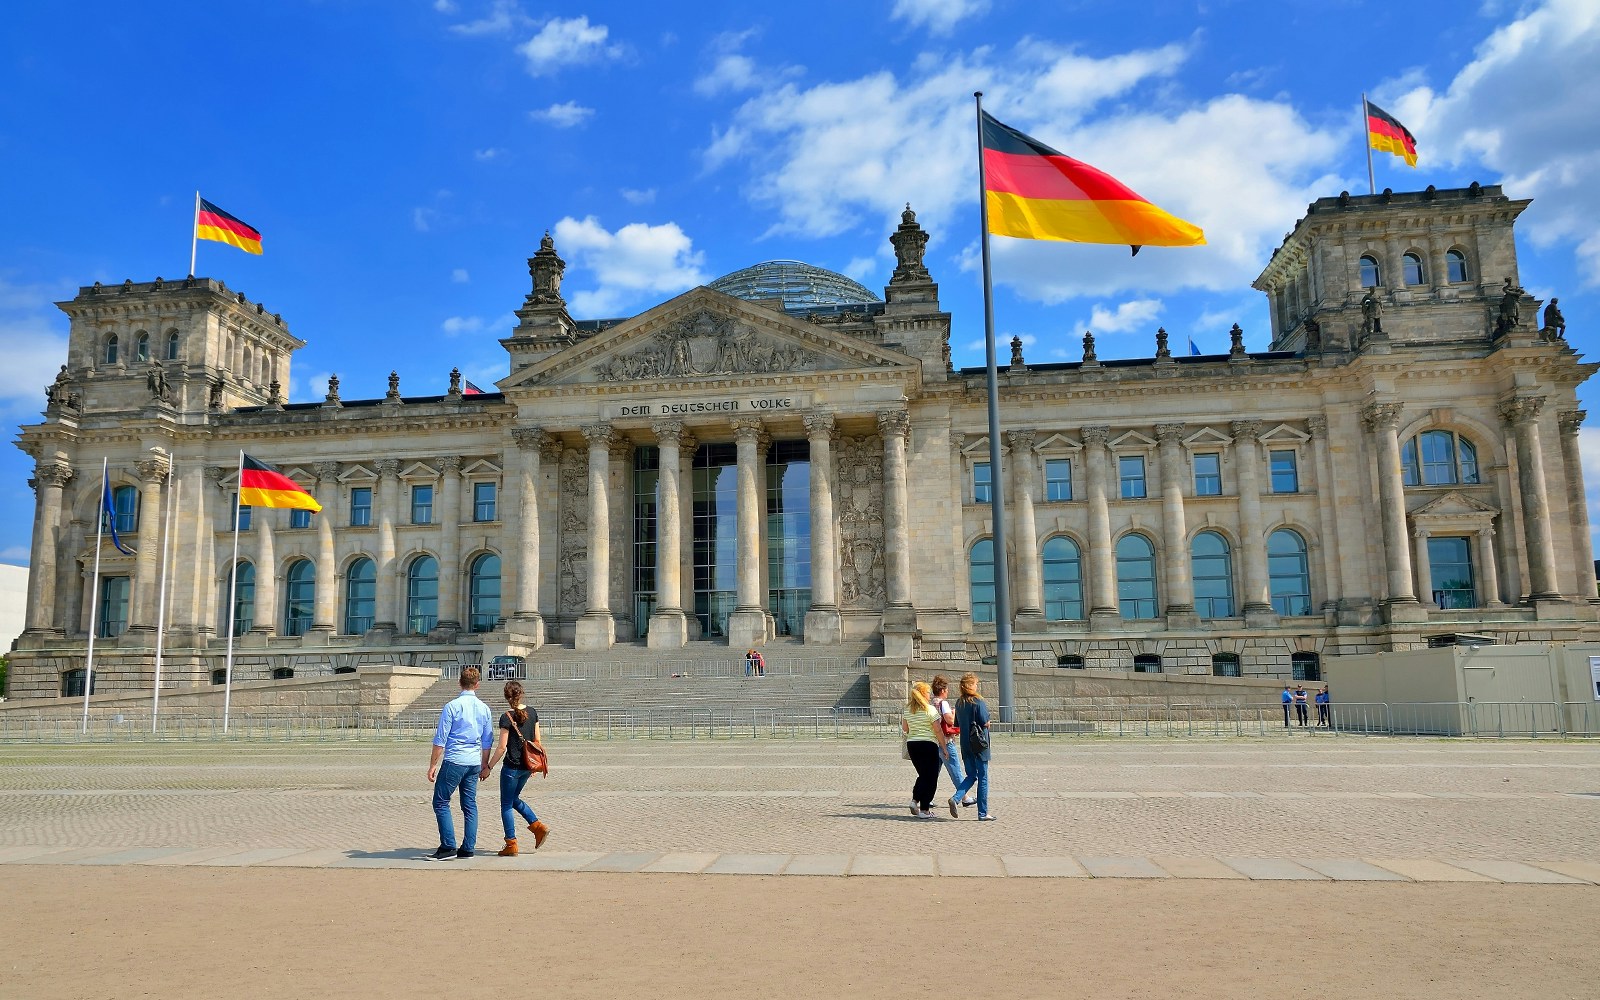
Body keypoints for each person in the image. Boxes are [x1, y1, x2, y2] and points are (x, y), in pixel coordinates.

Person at [423, 665, 494, 861]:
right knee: (469, 804)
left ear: (459, 683)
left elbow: (440, 739)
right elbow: (488, 740)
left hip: (455, 759)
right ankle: (468, 847)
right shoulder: (484, 709)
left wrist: (432, 765)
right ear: (477, 685)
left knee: (441, 801)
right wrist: (484, 764)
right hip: (473, 762)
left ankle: (448, 845)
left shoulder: (452, 706)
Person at [480, 679, 550, 857]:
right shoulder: (533, 712)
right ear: (521, 693)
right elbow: (538, 742)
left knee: (506, 804)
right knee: (514, 800)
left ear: (506, 696)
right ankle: (537, 827)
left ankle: (511, 843)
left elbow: (502, 747)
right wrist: (534, 766)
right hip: (527, 767)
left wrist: (488, 767)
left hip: (511, 768)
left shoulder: (506, 717)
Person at [947, 673, 994, 821]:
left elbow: (957, 724)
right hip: (979, 744)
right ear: (969, 686)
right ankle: (982, 813)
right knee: (983, 777)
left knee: (971, 775)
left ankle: (956, 798)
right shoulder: (978, 701)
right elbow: (985, 721)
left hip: (966, 745)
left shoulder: (959, 703)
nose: (977, 686)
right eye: (975, 684)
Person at [900, 680, 947, 818]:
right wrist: (944, 747)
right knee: (931, 777)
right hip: (928, 744)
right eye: (928, 692)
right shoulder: (930, 709)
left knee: (923, 775)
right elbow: (938, 730)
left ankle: (915, 800)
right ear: (922, 694)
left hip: (913, 745)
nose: (930, 695)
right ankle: (924, 809)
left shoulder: (908, 710)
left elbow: (905, 728)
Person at [930, 676, 971, 805]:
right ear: (942, 690)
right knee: (955, 770)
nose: (947, 692)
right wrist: (954, 712)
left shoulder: (931, 703)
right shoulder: (943, 703)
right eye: (947, 689)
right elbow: (950, 720)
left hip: (933, 742)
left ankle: (926, 798)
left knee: (932, 773)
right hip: (946, 742)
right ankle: (964, 797)